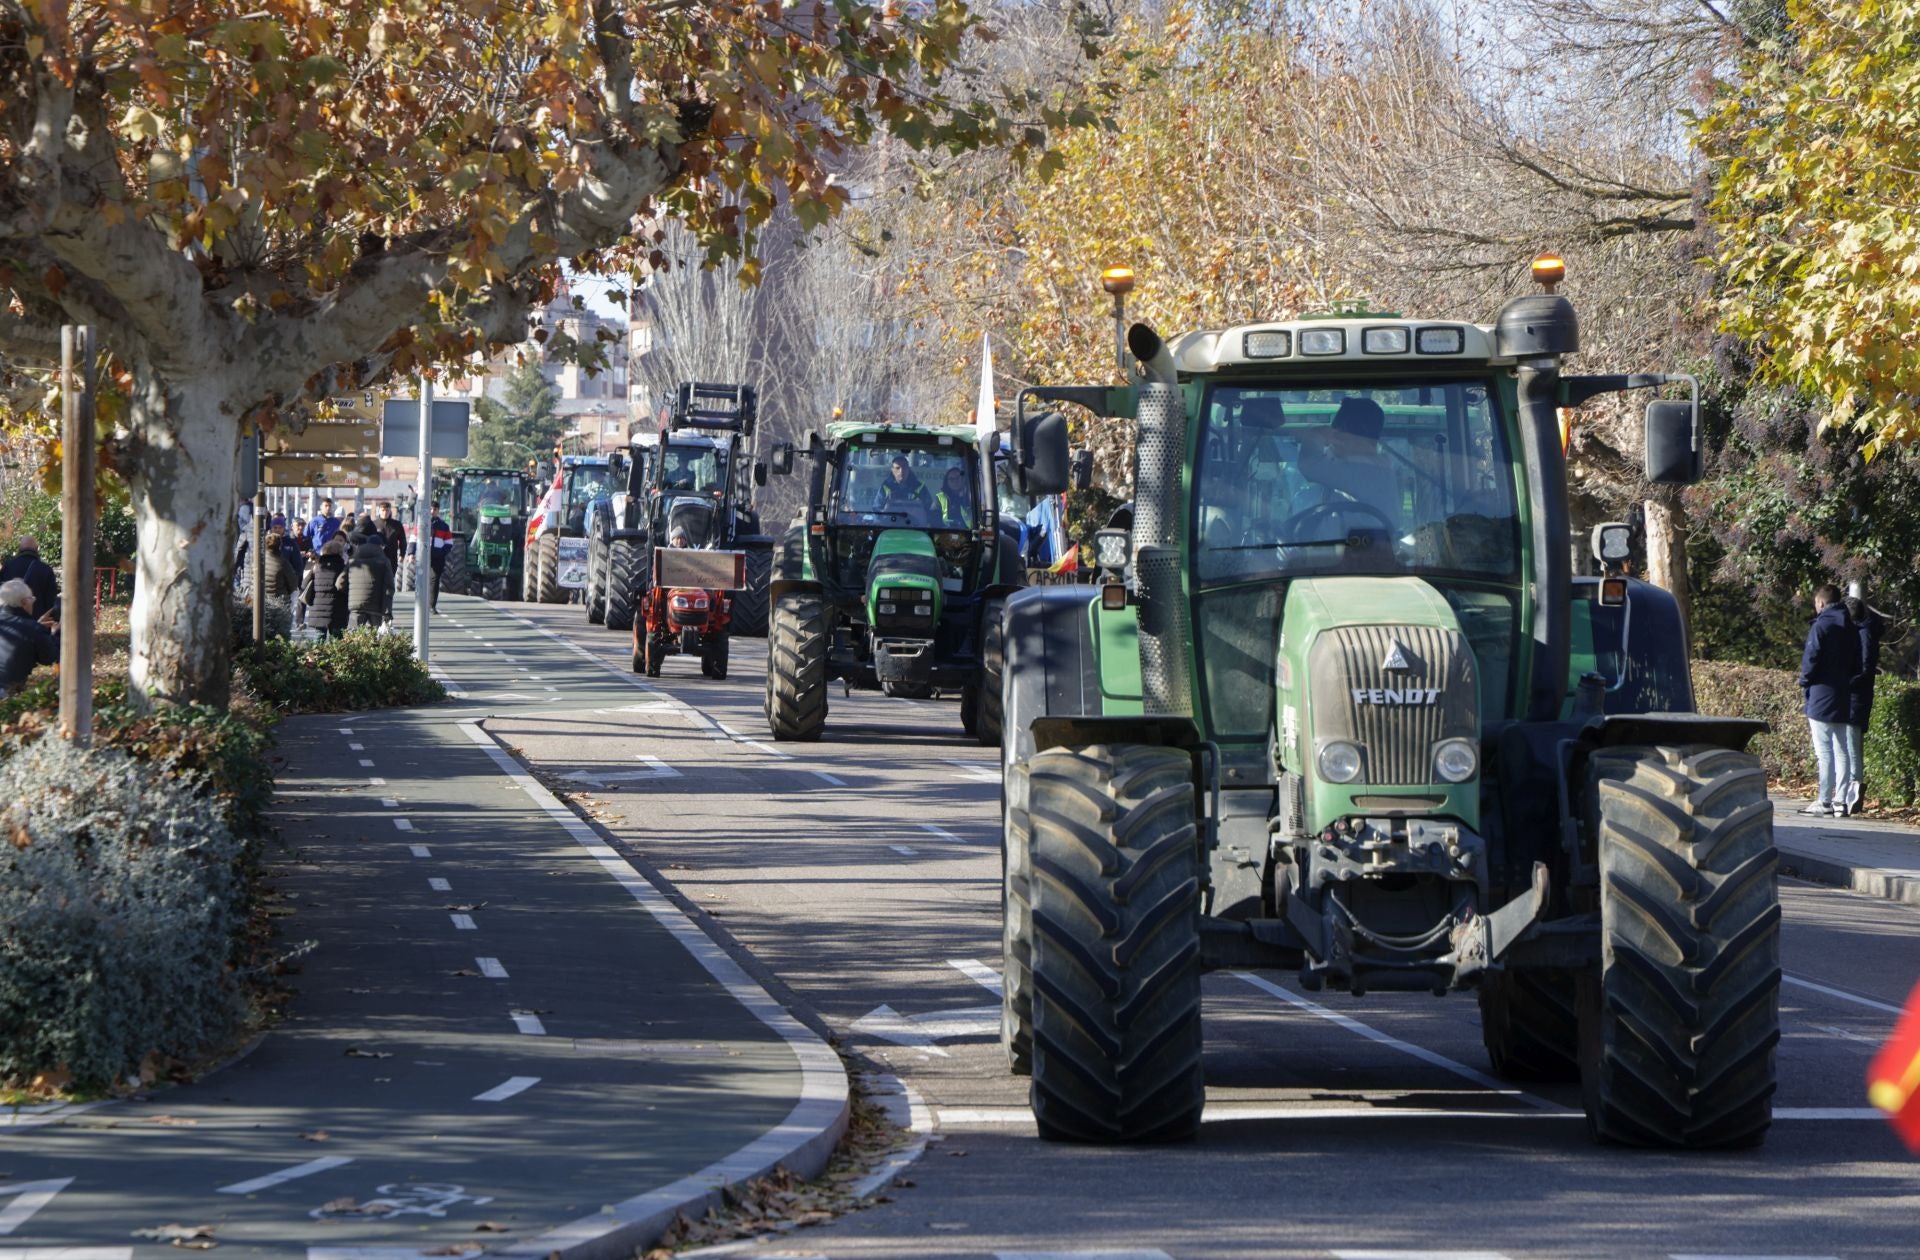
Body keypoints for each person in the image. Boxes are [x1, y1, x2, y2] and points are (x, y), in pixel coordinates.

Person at [1799, 583, 1863, 816]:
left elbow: (1811, 659)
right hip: (1843, 694)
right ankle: (1840, 801)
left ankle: (1824, 800)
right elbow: (1859, 664)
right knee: (1841, 748)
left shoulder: (1821, 626)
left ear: (1821, 603)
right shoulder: (1852, 628)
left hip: (1820, 694)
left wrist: (1804, 681)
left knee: (1824, 751)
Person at [1844, 593, 1885, 814]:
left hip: (1856, 696)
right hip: (1857, 695)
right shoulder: (1865, 632)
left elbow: (1864, 667)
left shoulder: (1863, 634)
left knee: (1852, 748)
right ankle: (1852, 791)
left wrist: (1847, 683)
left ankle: (1854, 793)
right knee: (1852, 746)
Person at [0, 578, 57, 697]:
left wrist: (36, 626)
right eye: (32, 598)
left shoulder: (31, 628)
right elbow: (49, 657)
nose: (33, 602)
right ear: (24, 602)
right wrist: (53, 634)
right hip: (7, 694)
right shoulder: (33, 629)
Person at [345, 516, 392, 630]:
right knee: (374, 640)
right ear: (380, 546)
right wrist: (387, 612)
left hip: (355, 605)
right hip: (376, 606)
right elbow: (389, 588)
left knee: (354, 638)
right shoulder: (384, 561)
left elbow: (340, 582)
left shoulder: (352, 560)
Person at [300, 535, 350, 640]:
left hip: (318, 610)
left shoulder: (316, 567)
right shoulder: (343, 568)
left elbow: (304, 585)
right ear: (340, 553)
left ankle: (317, 656)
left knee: (319, 637)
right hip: (338, 610)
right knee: (337, 640)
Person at [0, 536, 59, 621]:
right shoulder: (46, 569)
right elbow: (51, 601)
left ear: (19, 549)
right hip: (36, 622)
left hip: (9, 619)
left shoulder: (8, 566)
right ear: (36, 548)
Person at [878, 454, 934, 521]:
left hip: (916, 526)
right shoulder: (885, 487)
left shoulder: (920, 487)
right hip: (890, 525)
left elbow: (930, 510)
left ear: (908, 469)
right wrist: (886, 509)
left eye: (904, 467)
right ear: (892, 470)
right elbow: (876, 509)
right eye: (897, 468)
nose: (901, 471)